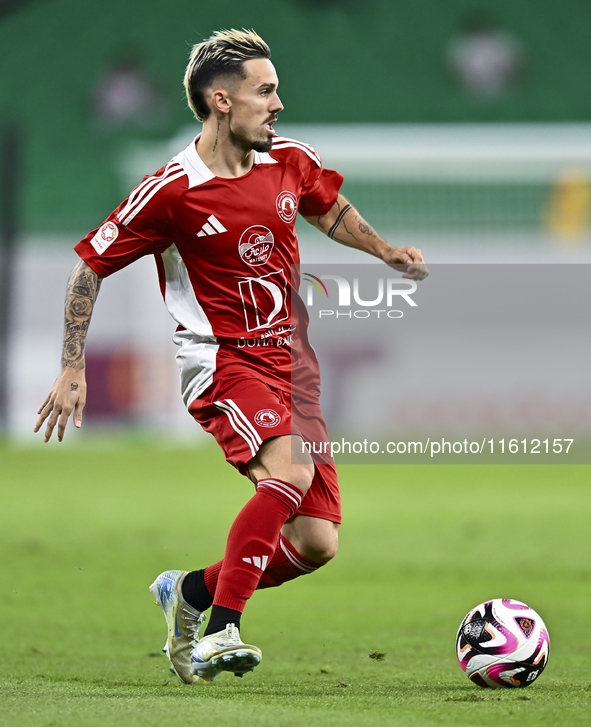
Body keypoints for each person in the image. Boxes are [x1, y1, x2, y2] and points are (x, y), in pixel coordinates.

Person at [34, 29, 428, 685]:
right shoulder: (172, 190)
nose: (277, 103)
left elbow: (327, 208)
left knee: (314, 543)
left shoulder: (289, 160)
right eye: (264, 91)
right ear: (221, 100)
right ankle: (220, 630)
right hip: (221, 361)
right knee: (288, 472)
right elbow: (88, 265)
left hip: (292, 364)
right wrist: (72, 365)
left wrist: (383, 249)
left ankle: (189, 592)